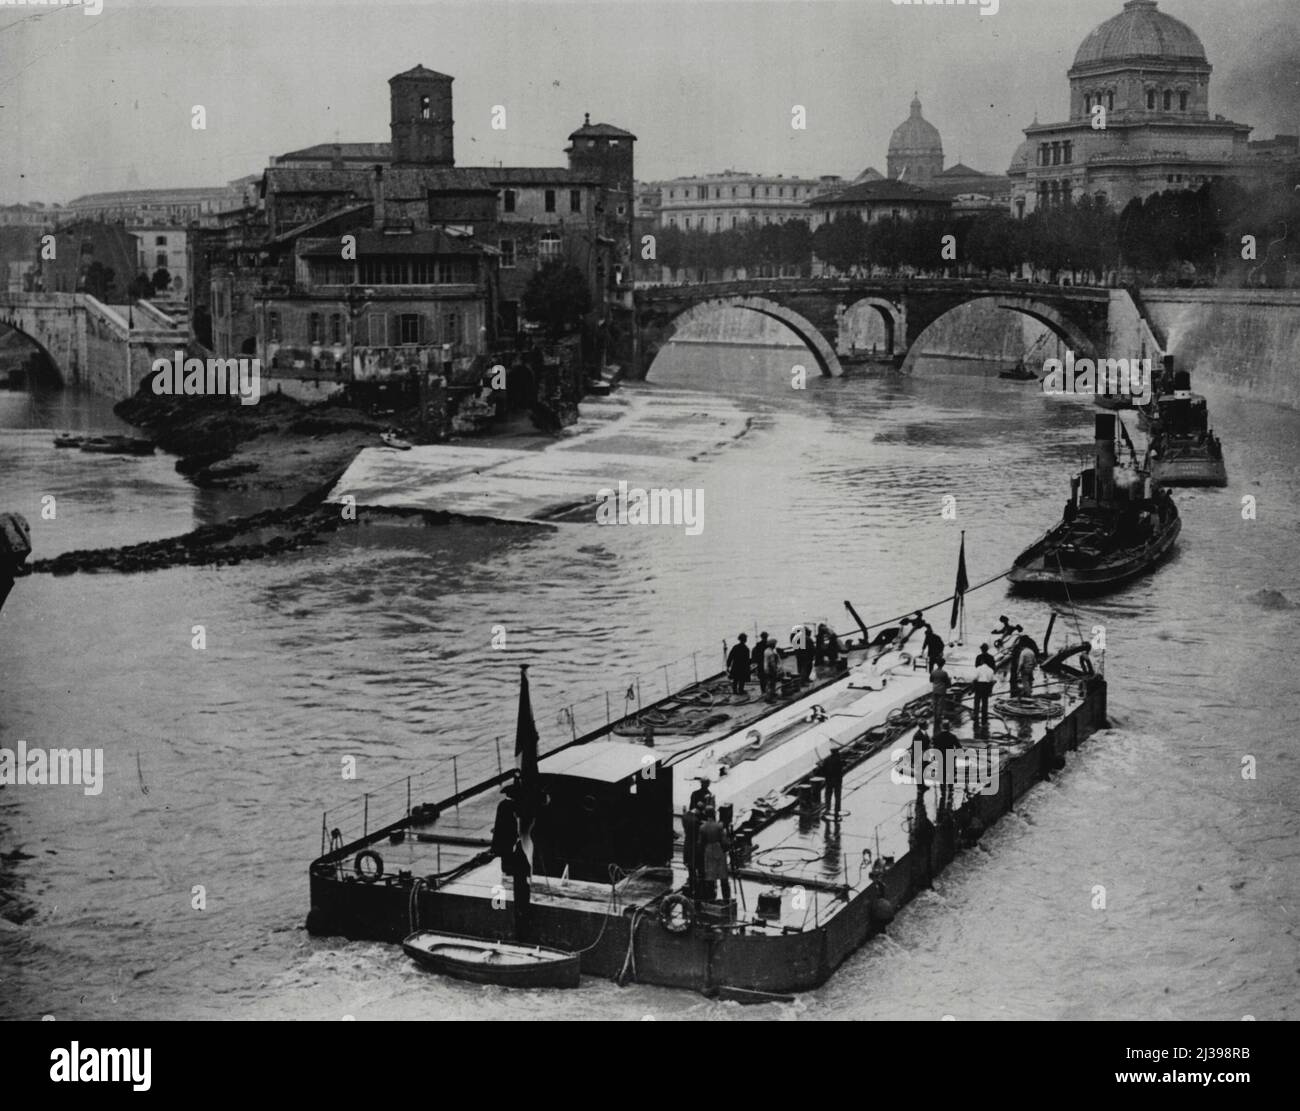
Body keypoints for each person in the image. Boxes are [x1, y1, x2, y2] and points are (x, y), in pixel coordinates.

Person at [698, 807, 731, 904]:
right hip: (719, 850)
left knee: (710, 876)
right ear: (714, 814)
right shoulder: (719, 826)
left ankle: (710, 899)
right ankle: (726, 899)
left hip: (708, 851)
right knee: (723, 876)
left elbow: (700, 843)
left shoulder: (702, 827)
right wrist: (727, 848)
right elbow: (724, 841)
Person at [972, 656, 995, 738]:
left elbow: (974, 679)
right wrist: (990, 691)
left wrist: (973, 689)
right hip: (986, 686)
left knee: (977, 702)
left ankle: (975, 716)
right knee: (985, 703)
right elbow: (992, 681)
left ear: (982, 661)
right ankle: (984, 719)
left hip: (979, 685)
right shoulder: (991, 670)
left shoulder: (978, 669)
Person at [820, 747, 845, 817]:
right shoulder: (839, 760)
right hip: (837, 781)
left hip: (829, 780)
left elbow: (823, 770)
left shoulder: (827, 760)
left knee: (828, 795)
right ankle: (837, 809)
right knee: (837, 796)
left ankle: (827, 809)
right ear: (836, 752)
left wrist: (821, 766)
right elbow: (842, 768)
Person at [930, 657, 951, 730]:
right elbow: (948, 683)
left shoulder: (933, 672)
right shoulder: (944, 673)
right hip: (941, 690)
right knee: (940, 704)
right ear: (943, 664)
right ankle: (938, 718)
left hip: (935, 689)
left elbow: (931, 680)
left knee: (935, 703)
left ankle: (935, 716)